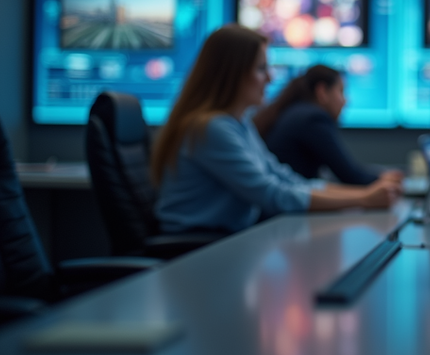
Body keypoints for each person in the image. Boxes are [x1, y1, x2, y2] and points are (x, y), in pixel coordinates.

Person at [152, 24, 401, 234]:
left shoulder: (238, 123)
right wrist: (364, 198)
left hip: (225, 243)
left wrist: (366, 195)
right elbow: (272, 194)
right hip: (197, 251)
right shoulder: (210, 128)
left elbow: (286, 179)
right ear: (232, 74)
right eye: (261, 69)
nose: (270, 78)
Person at [254, 65, 402, 186]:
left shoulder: (297, 112)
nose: (346, 101)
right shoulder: (313, 118)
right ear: (322, 92)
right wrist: (387, 179)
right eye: (341, 92)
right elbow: (350, 176)